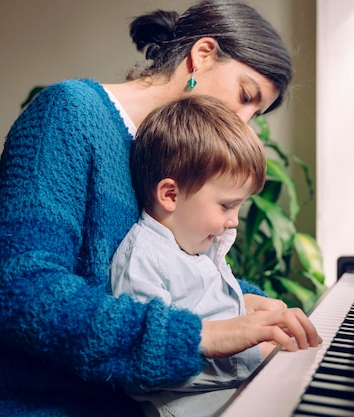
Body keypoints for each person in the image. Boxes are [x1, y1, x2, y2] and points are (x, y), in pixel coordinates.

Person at [0, 2, 321, 416]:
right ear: (201, 55)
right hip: (31, 404)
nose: (243, 123)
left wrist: (245, 304)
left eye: (256, 113)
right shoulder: (66, 115)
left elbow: (175, 267)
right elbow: (21, 293)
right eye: (245, 96)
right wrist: (201, 336)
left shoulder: (176, 150)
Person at [110, 94, 273, 417]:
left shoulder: (199, 241)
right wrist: (257, 356)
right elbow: (144, 368)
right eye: (227, 205)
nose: (234, 220)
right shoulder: (142, 259)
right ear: (170, 195)